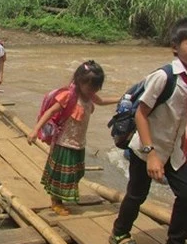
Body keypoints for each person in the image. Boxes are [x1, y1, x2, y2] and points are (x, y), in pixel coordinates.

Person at [109, 17, 187, 244]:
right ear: (175, 46)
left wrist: (184, 148)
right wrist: (151, 153)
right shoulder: (163, 76)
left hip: (173, 150)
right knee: (137, 194)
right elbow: (142, 114)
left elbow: (180, 117)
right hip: (147, 147)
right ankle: (120, 233)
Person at [27, 60, 119, 216]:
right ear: (79, 81)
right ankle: (56, 201)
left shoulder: (89, 96)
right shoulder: (68, 96)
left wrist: (121, 98)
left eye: (96, 88)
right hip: (64, 142)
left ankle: (61, 197)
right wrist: (35, 130)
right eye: (91, 87)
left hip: (78, 142)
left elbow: (102, 101)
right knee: (61, 173)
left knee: (74, 173)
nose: (93, 91)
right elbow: (49, 112)